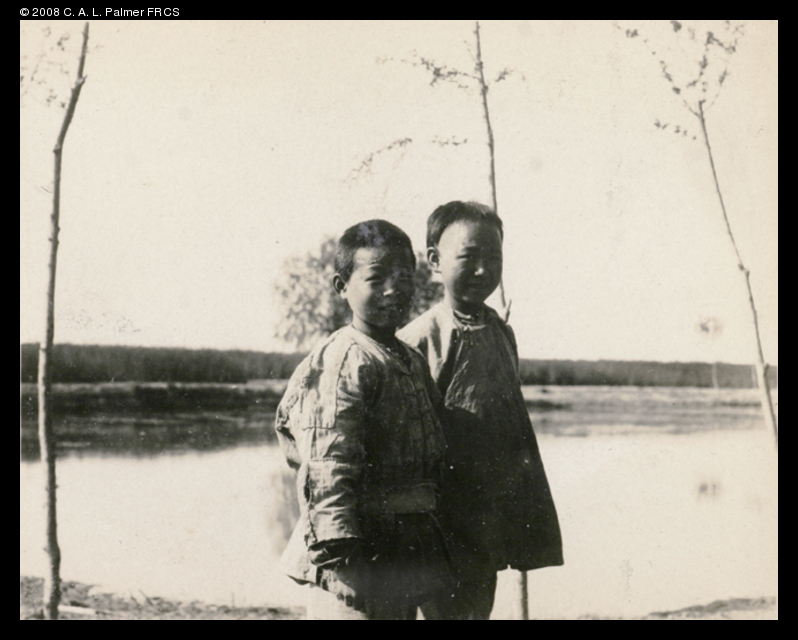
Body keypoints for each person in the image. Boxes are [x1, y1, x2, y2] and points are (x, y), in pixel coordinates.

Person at [274, 219, 452, 620]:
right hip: (356, 555)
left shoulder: (409, 359)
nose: (393, 290)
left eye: (403, 278)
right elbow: (326, 465)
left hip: (401, 547)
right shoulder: (344, 359)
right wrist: (343, 563)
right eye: (376, 278)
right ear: (342, 286)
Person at [398, 201, 563, 620]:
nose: (482, 270)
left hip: (488, 512)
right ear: (434, 260)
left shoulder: (501, 332)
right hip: (438, 518)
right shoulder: (417, 340)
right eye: (469, 256)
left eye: (494, 258)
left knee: (476, 609)